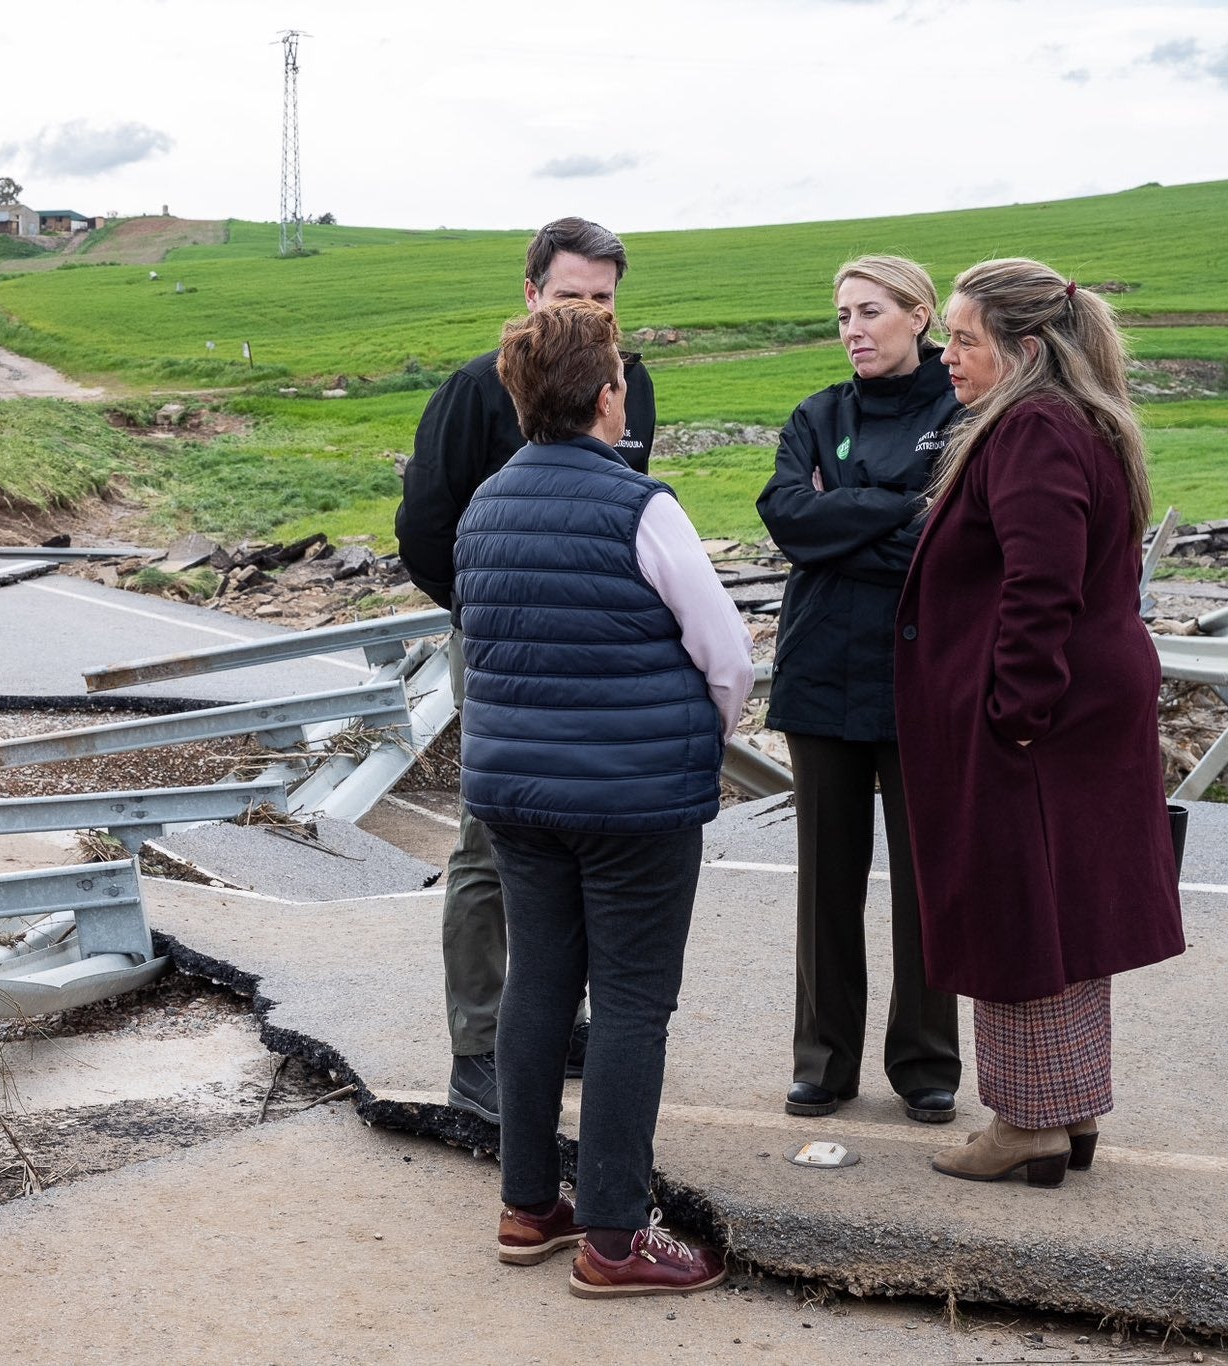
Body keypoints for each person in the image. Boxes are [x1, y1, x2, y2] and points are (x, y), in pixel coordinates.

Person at [454, 300, 751, 1295]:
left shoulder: (483, 502)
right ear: (605, 394)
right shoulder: (640, 504)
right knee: (630, 1005)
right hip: (633, 802)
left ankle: (528, 1203)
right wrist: (703, 733)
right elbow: (726, 653)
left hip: (514, 792)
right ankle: (616, 1238)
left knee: (537, 984)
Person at [897, 258, 1185, 1186]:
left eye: (965, 338)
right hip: (1079, 710)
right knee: (1063, 917)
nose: (947, 353)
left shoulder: (1033, 432)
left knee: (1018, 916)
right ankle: (1069, 1112)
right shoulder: (1077, 421)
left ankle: (1026, 1122)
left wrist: (1012, 713)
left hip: (1039, 719)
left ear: (1023, 351)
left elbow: (1040, 587)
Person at [397, 217, 656, 1124]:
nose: (590, 311)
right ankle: (478, 1043)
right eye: (573, 294)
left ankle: (551, 1014)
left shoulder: (633, 384)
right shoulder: (474, 393)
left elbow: (626, 511)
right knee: (488, 838)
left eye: (604, 297)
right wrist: (486, 614)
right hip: (503, 647)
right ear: (532, 294)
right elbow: (424, 532)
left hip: (596, 651)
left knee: (579, 825)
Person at [756, 256, 963, 1125]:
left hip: (921, 677)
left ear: (919, 316)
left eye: (870, 312)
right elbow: (785, 517)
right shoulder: (817, 413)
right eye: (842, 314)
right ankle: (825, 1060)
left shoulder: (963, 414)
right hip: (819, 671)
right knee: (825, 882)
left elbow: (944, 543)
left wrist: (841, 517)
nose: (853, 329)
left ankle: (925, 1063)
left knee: (927, 882)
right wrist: (895, 509)